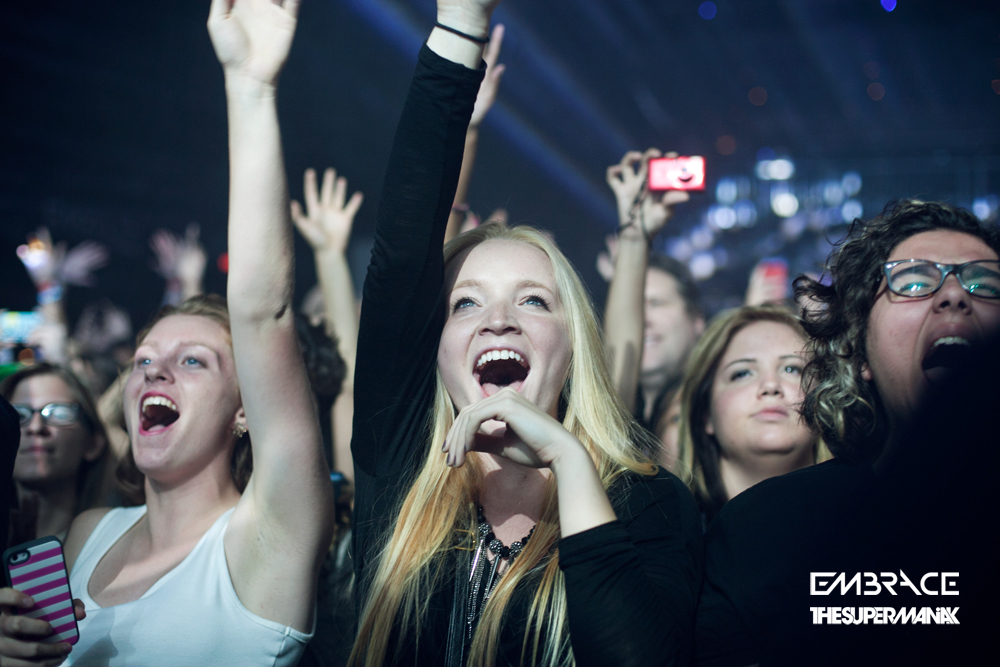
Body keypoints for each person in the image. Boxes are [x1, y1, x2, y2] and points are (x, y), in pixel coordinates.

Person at [348, 3, 702, 666]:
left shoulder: (648, 503)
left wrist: (569, 461)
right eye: (465, 304)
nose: (499, 320)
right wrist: (460, 23)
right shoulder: (400, 470)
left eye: (533, 300)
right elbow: (401, 255)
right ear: (435, 347)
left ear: (574, 348)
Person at [0, 1, 334, 664]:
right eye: (145, 360)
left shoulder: (266, 535)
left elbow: (263, 311)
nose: (153, 370)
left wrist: (250, 87)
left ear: (246, 409)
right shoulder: (89, 534)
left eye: (193, 361)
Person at [695, 200, 1000, 666]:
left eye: (986, 283)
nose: (955, 295)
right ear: (860, 355)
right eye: (913, 281)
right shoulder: (766, 529)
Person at [674, 306, 828, 524]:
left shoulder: (868, 521)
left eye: (792, 369)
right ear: (705, 413)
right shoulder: (670, 534)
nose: (770, 385)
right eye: (742, 373)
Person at [602, 150, 704, 435]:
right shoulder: (601, 426)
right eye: (635, 306)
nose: (641, 319)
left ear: (697, 321)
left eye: (656, 303)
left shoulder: (718, 411)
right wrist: (633, 238)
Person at [1, 363, 117, 545]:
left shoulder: (114, 541)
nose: (36, 427)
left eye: (59, 414)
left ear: (93, 443)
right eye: (19, 415)